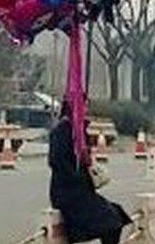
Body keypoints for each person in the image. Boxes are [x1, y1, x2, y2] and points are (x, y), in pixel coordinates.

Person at [48, 100, 131, 244]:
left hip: (83, 191)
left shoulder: (79, 131)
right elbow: (57, 161)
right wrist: (78, 175)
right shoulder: (62, 131)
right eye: (84, 106)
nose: (86, 110)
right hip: (68, 193)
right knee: (109, 222)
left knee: (117, 214)